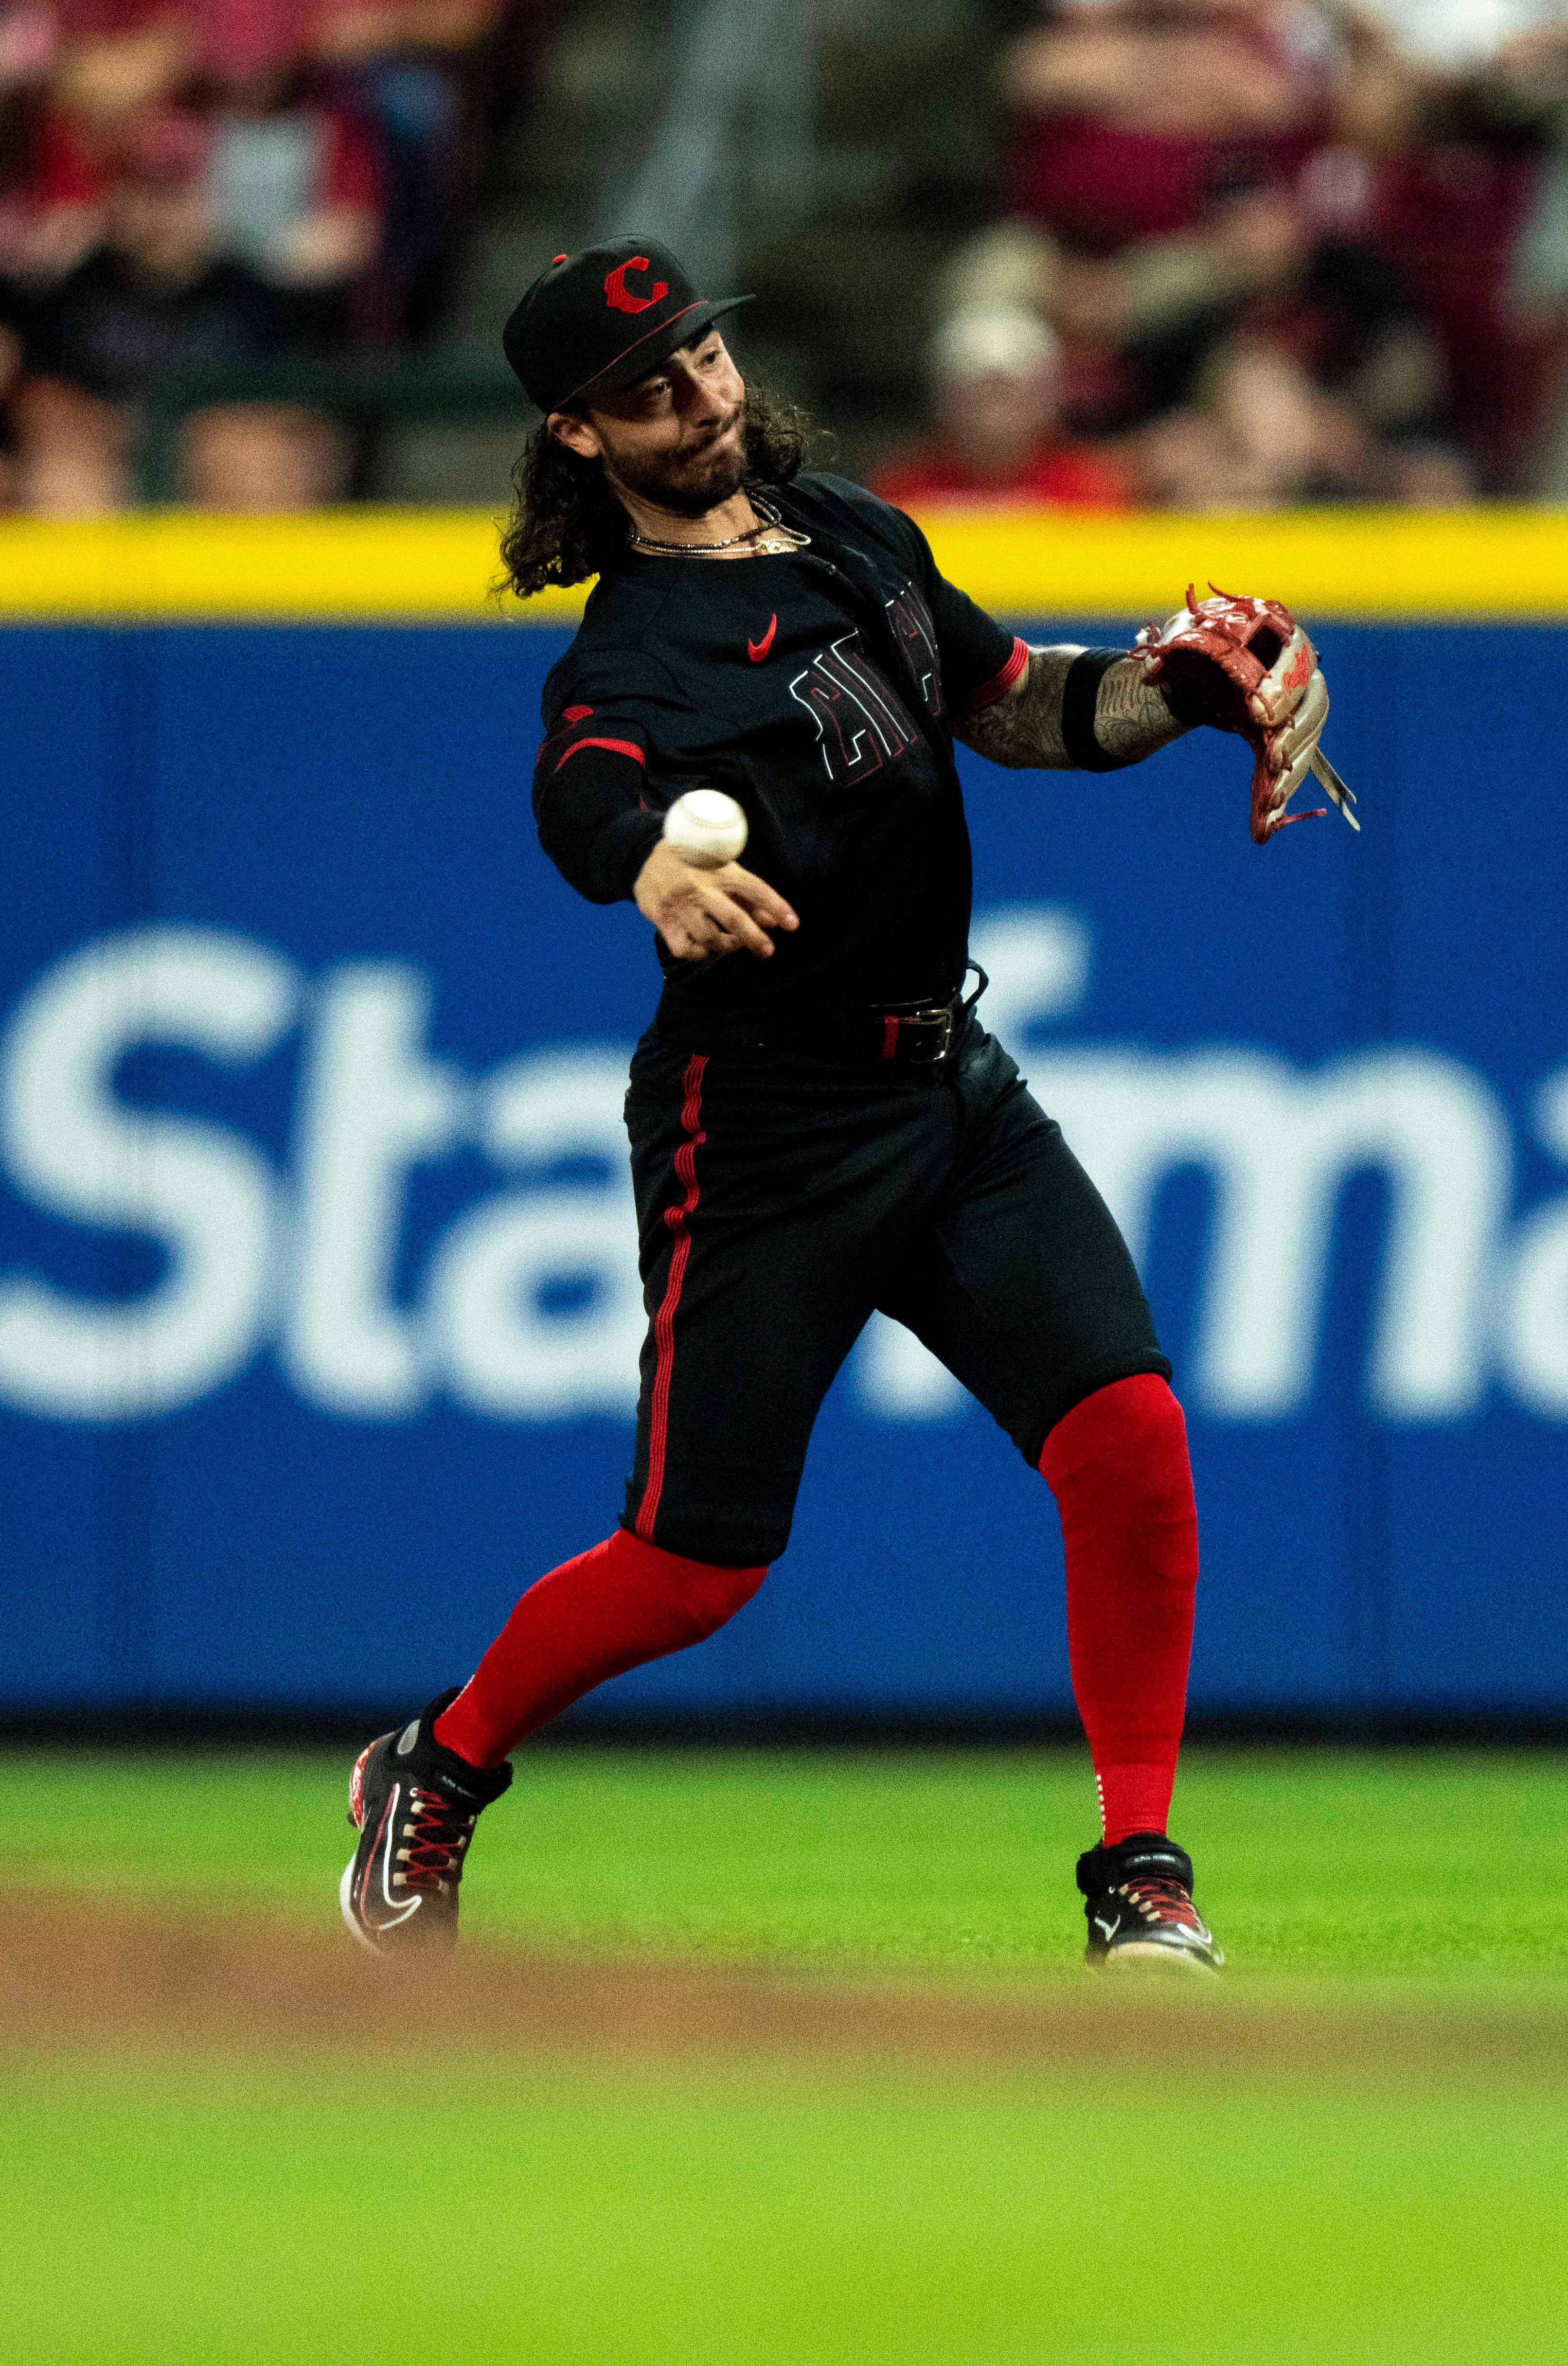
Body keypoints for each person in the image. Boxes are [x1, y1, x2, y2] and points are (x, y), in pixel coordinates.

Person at [339, 237, 1337, 1976]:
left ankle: (1139, 1871)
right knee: (692, 1565)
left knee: (1129, 1441)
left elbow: (1021, 708)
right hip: (764, 1119)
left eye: (706, 358)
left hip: (946, 1082)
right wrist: (647, 856)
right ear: (578, 436)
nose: (701, 396)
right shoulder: (631, 651)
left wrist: (1174, 689)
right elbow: (579, 788)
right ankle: (439, 1761)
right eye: (650, 389)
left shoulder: (859, 531)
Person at [869, 308, 1129, 510]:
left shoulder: (1092, 489)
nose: (995, 414)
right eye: (978, 392)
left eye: (1012, 393)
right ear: (944, 400)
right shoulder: (900, 491)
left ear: (1047, 399)